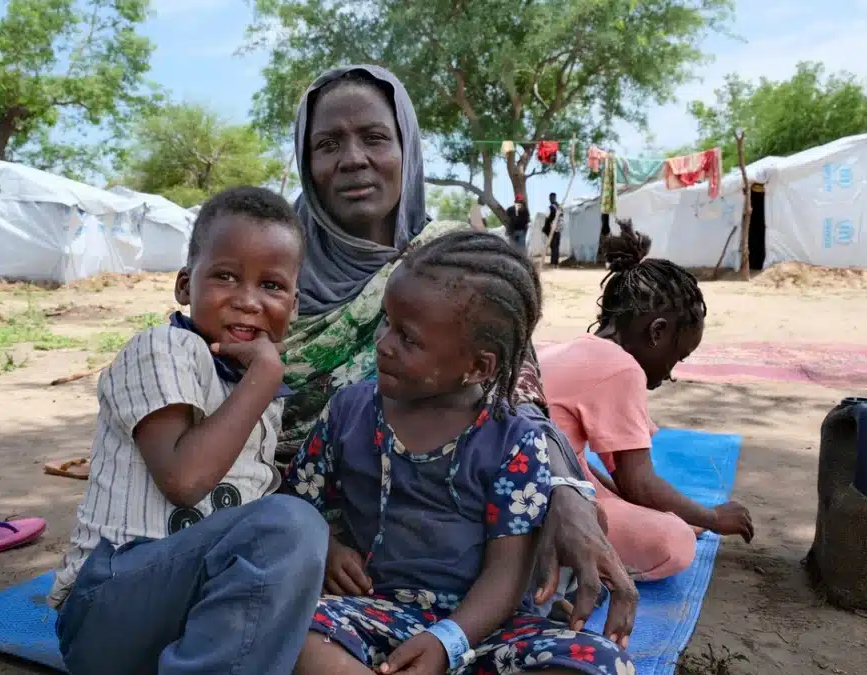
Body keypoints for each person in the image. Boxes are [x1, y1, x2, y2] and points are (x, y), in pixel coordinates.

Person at [280, 63, 638, 650]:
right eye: (327, 143)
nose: (351, 158)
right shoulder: (268, 270)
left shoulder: (457, 262)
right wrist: (308, 537)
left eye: (374, 137)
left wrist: (568, 493)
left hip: (475, 513)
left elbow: (517, 401)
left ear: (407, 148)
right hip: (313, 515)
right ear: (305, 159)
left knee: (630, 546)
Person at [286, 231, 636, 675]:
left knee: (604, 663)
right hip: (371, 615)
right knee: (295, 630)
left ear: (478, 366)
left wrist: (446, 642)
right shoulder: (347, 411)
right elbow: (295, 507)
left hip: (485, 629)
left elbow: (507, 575)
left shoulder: (514, 441)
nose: (384, 345)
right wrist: (327, 546)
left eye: (408, 339)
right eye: (386, 324)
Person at [49, 186, 329, 675]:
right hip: (108, 607)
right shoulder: (164, 350)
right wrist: (265, 377)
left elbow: (250, 493)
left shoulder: (252, 383)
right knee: (290, 525)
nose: (247, 301)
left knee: (301, 532)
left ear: (294, 304)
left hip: (186, 617)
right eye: (225, 276)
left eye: (272, 286)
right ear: (184, 285)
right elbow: (184, 480)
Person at [537, 219, 754, 582]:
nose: (670, 373)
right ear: (657, 332)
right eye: (676, 357)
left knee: (613, 489)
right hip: (539, 506)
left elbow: (600, 474)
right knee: (674, 541)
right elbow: (638, 482)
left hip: (518, 487)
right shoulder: (621, 369)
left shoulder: (577, 350)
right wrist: (711, 519)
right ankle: (567, 566)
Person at [541, 192, 563, 267]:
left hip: (552, 229)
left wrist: (545, 227)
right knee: (556, 246)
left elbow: (547, 218)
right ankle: (556, 263)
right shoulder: (560, 207)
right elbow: (561, 218)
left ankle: (553, 263)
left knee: (553, 246)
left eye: (551, 198)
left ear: (551, 198)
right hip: (558, 230)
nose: (550, 199)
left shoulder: (550, 208)